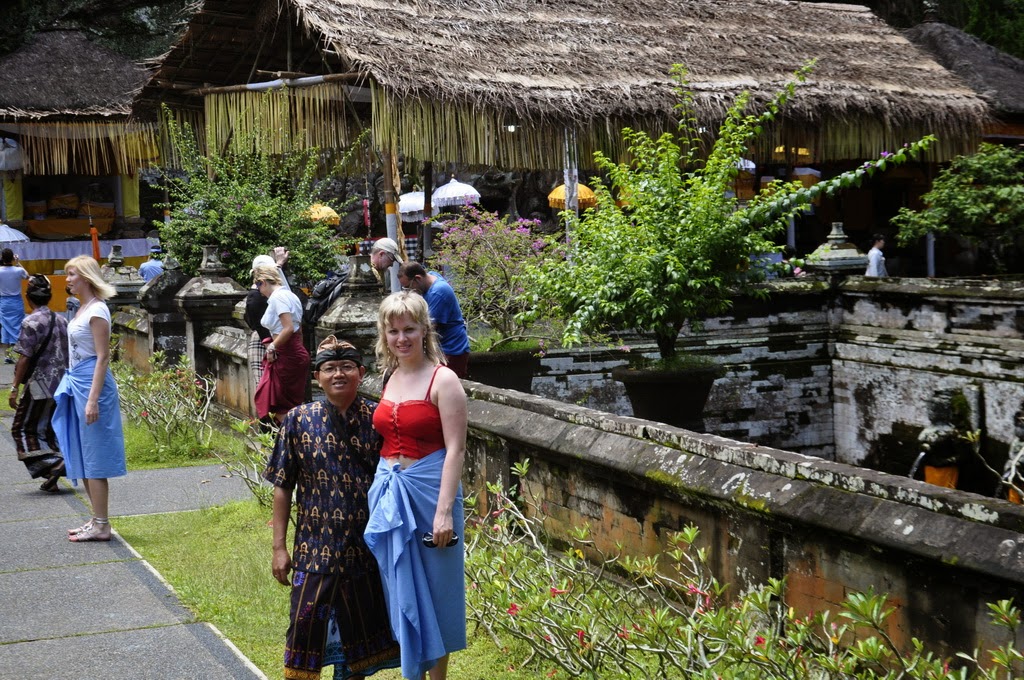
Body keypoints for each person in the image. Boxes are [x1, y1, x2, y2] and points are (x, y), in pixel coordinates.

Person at [265, 336, 400, 680]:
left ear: (361, 373)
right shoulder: (297, 420)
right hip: (314, 549)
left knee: (359, 641)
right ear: (317, 376)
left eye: (346, 367)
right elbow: (282, 486)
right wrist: (279, 548)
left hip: (364, 549)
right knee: (304, 631)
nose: (338, 374)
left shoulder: (378, 419)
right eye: (329, 368)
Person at [365, 291, 468, 680]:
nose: (401, 338)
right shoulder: (390, 377)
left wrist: (444, 512)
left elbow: (456, 450)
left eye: (409, 329)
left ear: (425, 330)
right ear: (384, 333)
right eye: (393, 331)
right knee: (399, 586)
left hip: (431, 494)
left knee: (438, 592)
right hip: (391, 493)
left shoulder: (445, 379)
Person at [52, 255, 126, 542]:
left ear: (86, 277)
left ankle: (102, 524)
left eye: (72, 274)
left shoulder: (97, 311)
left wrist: (93, 399)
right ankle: (96, 520)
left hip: (91, 385)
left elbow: (103, 357)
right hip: (77, 382)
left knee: (94, 454)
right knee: (82, 452)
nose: (67, 279)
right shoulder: (82, 308)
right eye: (67, 274)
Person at [9, 274, 69, 492]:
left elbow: (24, 357)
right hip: (60, 384)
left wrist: (15, 387)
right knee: (47, 429)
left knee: (21, 429)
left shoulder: (30, 321)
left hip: (39, 385)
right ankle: (52, 475)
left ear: (28, 298)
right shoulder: (62, 320)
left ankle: (58, 463)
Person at [252, 263, 310, 423]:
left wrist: (272, 347)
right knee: (282, 402)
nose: (258, 290)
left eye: (258, 285)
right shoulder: (290, 295)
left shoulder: (278, 297)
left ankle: (291, 439)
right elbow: (298, 329)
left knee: (281, 404)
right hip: (292, 352)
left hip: (287, 354)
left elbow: (289, 328)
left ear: (263, 281)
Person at [397, 262, 471, 379]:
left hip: (451, 350)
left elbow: (427, 328)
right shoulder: (430, 276)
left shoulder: (438, 292)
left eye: (408, 287)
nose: (408, 291)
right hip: (440, 349)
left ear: (418, 278)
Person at [244, 251, 291, 416]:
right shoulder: (256, 298)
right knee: (266, 388)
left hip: (274, 342)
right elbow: (260, 326)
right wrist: (270, 347)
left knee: (275, 390)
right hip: (266, 342)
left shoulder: (273, 295)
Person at [0, 247, 29, 362]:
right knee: (17, 326)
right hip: (16, 301)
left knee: (5, 327)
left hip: (3, 302)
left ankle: (7, 356)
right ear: (12, 258)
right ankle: (16, 355)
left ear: (2, 258)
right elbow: (27, 276)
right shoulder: (18, 270)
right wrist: (18, 263)